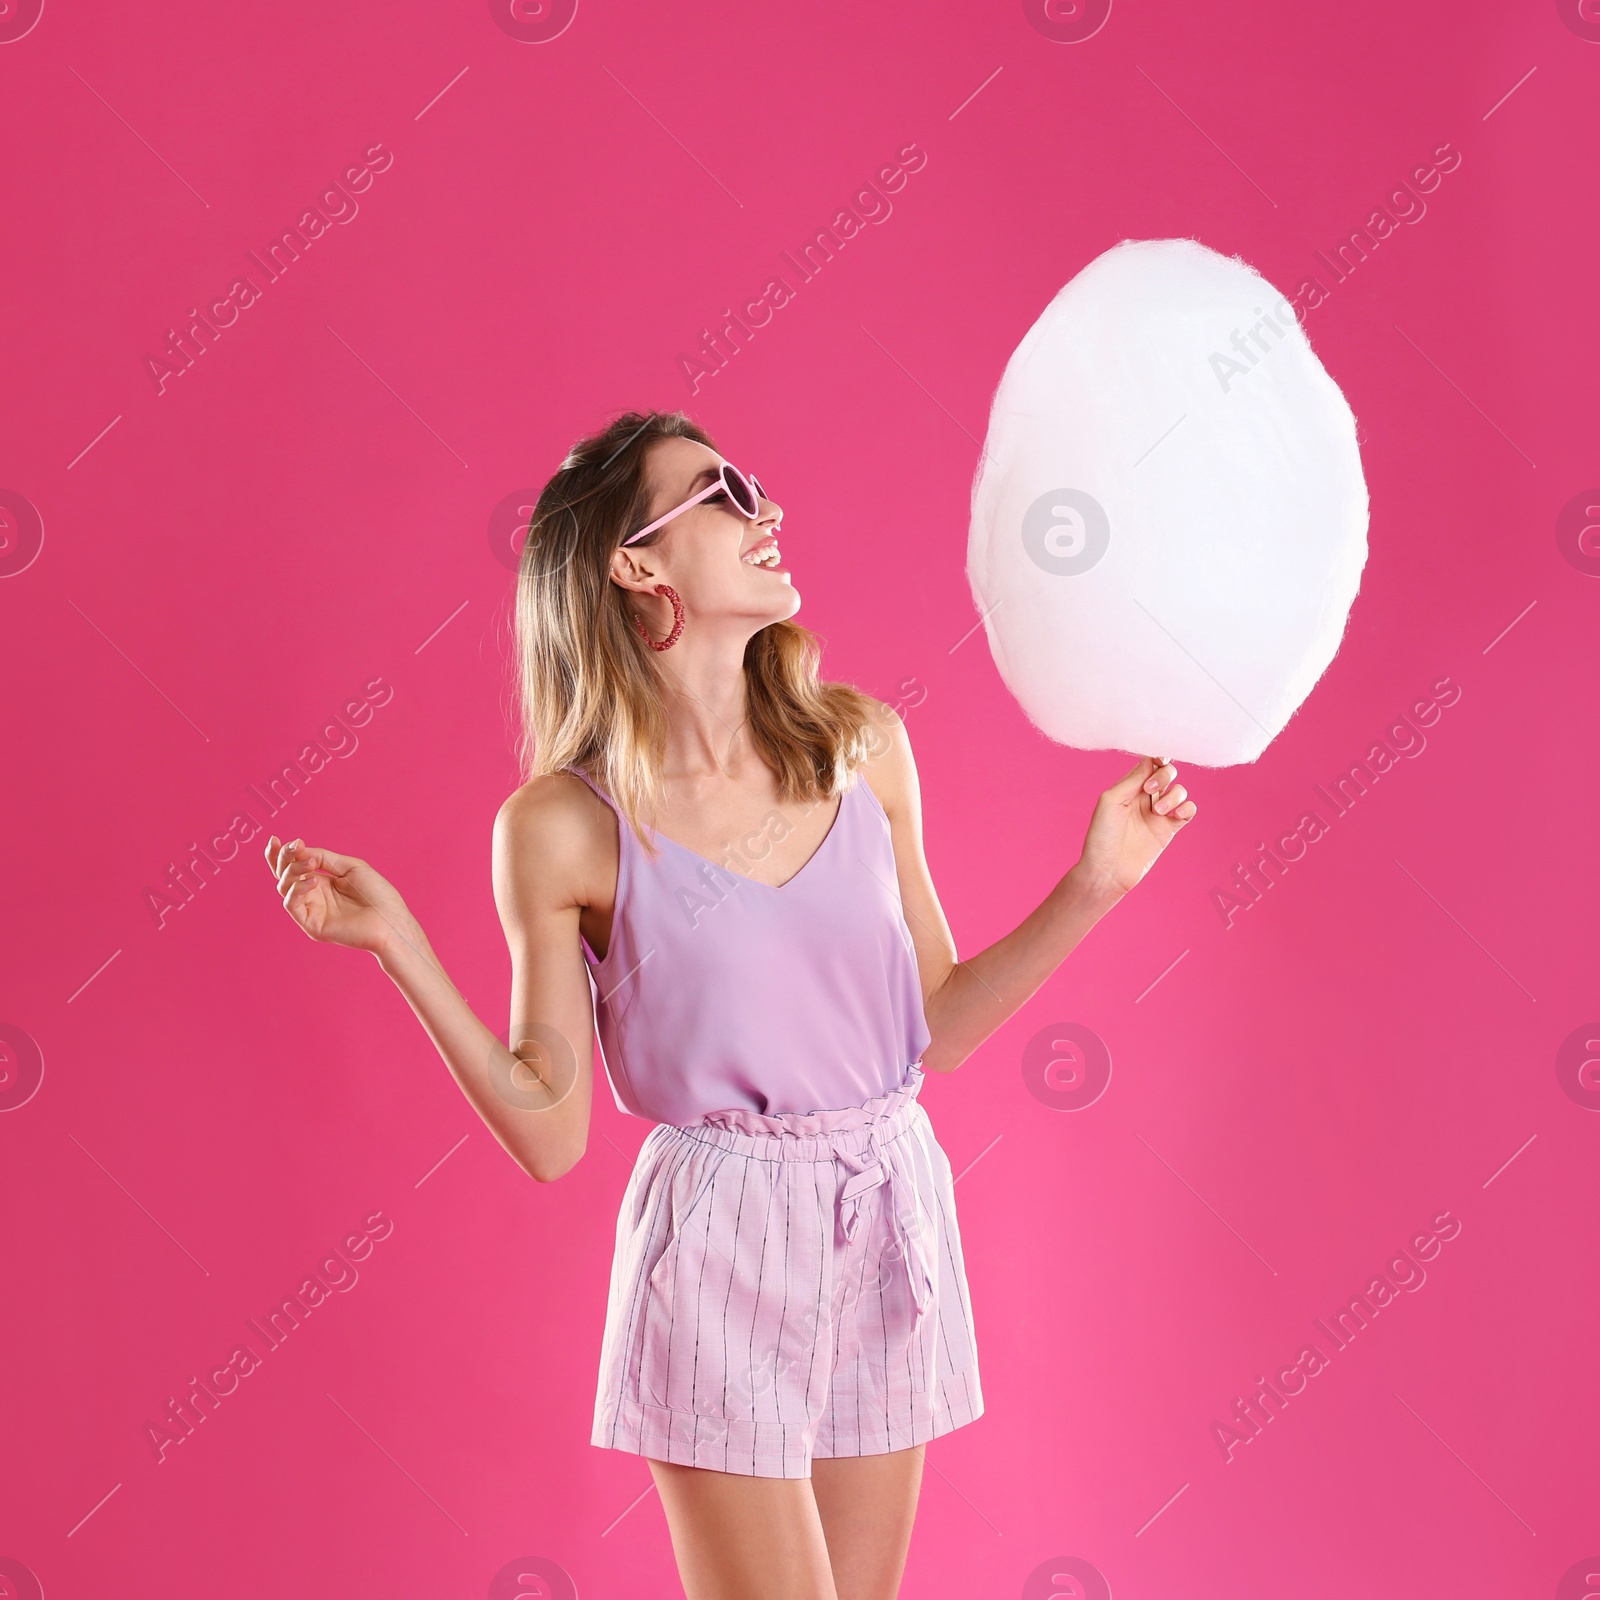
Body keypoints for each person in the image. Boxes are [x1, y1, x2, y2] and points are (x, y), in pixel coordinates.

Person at [263, 409, 1197, 1600]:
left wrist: (1096, 882)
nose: (766, 511)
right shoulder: (563, 827)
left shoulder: (864, 750)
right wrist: (399, 941)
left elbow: (938, 1023)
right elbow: (551, 1130)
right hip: (720, 1239)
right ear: (635, 563)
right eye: (723, 492)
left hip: (887, 1199)